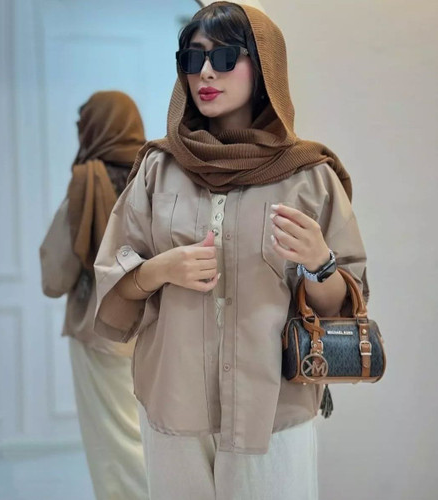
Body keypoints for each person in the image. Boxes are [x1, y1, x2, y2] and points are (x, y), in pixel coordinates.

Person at [94, 3, 369, 499]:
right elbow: (114, 279)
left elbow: (344, 309)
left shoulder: (310, 176)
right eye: (191, 58)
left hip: (273, 410)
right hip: (173, 404)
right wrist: (159, 270)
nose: (204, 72)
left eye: (223, 57)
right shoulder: (158, 168)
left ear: (263, 67)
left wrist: (320, 262)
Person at [39, 91, 149, 500]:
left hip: (98, 333)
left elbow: (54, 276)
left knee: (112, 446)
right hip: (154, 330)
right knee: (152, 437)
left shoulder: (86, 182)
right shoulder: (156, 177)